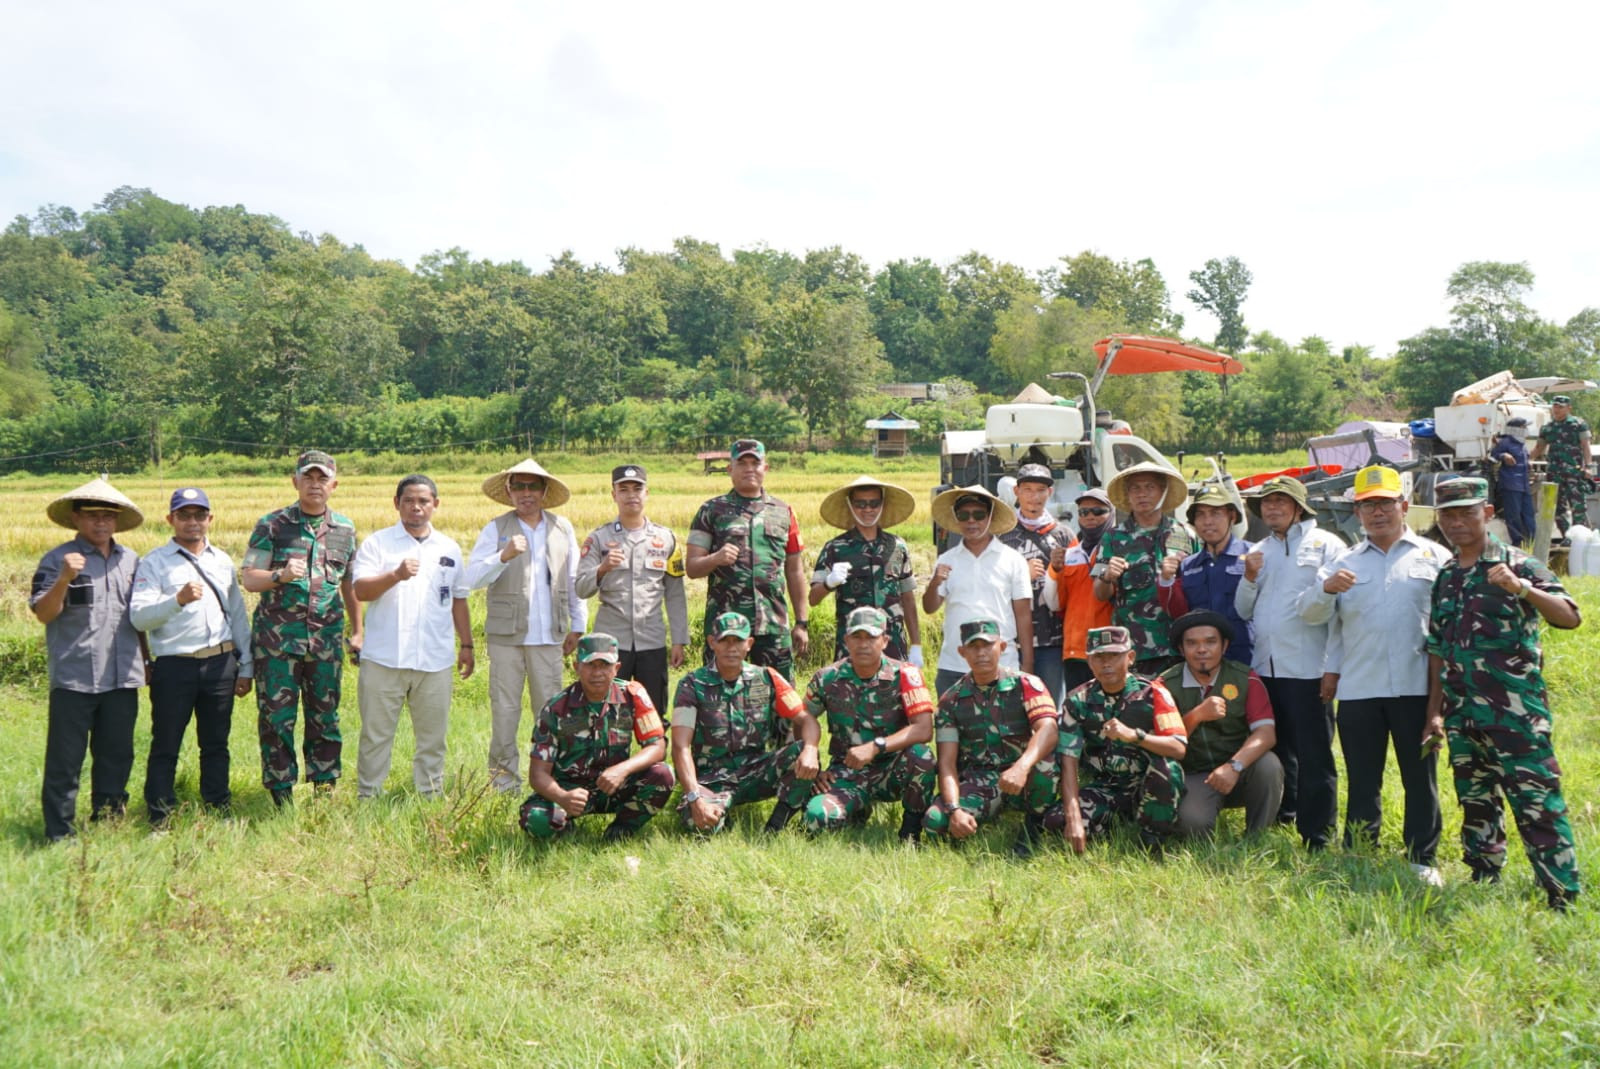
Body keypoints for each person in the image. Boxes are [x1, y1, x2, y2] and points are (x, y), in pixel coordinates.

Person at [1423, 477, 1583, 909]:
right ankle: (1483, 875)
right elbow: (1438, 649)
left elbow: (1569, 617)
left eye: (1466, 513)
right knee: (1477, 803)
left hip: (1516, 715)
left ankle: (1562, 893)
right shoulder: (1447, 575)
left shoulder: (1519, 564)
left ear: (1487, 514)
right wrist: (1433, 714)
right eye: (1448, 515)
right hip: (1463, 715)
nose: (1457, 522)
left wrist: (1521, 588)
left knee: (1537, 803)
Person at [1301, 464, 1447, 886]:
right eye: (1367, 506)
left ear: (1403, 506)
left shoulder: (1434, 557)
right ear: (1357, 513)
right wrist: (1325, 590)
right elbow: (1318, 620)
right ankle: (1361, 849)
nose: (1377, 513)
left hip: (1416, 686)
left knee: (1419, 776)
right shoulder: (1342, 563)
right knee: (1363, 776)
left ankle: (1422, 857)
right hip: (1361, 687)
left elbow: (1446, 626)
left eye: (1384, 503)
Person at [240, 451, 362, 805]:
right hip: (278, 644)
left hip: (325, 640)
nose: (314, 484)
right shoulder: (273, 525)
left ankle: (325, 790)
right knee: (277, 719)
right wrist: (279, 575)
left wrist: (358, 631)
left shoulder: (345, 529)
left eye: (322, 478)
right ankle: (281, 795)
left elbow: (349, 584)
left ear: (334, 485)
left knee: (325, 716)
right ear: (295, 482)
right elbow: (250, 578)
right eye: (307, 478)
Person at [29, 478, 146, 841]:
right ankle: (59, 832)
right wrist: (66, 577)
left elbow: (139, 617)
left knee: (117, 754)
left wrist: (149, 662)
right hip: (74, 676)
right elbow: (44, 613)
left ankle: (108, 819)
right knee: (65, 760)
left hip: (123, 674)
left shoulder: (131, 562)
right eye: (93, 516)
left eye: (108, 517)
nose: (101, 523)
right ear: (77, 518)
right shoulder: (57, 560)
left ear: (117, 521)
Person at [130, 487, 253, 825]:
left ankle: (218, 808)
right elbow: (139, 617)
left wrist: (247, 666)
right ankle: (160, 816)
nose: (192, 522)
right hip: (174, 666)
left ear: (210, 519)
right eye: (184, 515)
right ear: (170, 519)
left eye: (200, 515)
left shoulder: (222, 560)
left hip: (220, 662)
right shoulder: (154, 562)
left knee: (215, 744)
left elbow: (238, 616)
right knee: (166, 744)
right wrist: (177, 601)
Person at [1234, 475, 1345, 849]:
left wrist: (1332, 667)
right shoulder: (1259, 549)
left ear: (1299, 507)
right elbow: (1243, 609)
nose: (1273, 508)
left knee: (1315, 754)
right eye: (1267, 503)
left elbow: (1339, 612)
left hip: (1309, 666)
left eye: (1281, 501)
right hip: (1267, 667)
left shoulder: (1327, 544)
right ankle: (1287, 814)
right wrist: (1249, 576)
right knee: (1280, 749)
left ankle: (1318, 833)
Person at [465, 459, 584, 793]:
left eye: (533, 486)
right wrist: (501, 556)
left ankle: (549, 783)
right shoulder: (496, 529)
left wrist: (578, 625)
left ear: (545, 491)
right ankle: (503, 783)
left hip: (550, 638)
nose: (526, 493)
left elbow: (573, 579)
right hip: (507, 637)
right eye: (519, 486)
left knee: (550, 713)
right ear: (509, 491)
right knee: (504, 710)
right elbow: (471, 578)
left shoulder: (563, 528)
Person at [351, 475, 473, 799]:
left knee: (433, 738)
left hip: (434, 660)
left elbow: (458, 599)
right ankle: (368, 798)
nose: (416, 507)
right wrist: (396, 575)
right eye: (408, 501)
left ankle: (429, 797)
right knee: (376, 736)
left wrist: (468, 644)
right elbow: (360, 590)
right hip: (384, 658)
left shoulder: (449, 547)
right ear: (397, 504)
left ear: (435, 504)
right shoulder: (378, 544)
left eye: (423, 501)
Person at [670, 612, 821, 834]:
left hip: (757, 771)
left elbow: (806, 719)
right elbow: (680, 746)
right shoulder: (692, 685)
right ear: (713, 643)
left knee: (804, 753)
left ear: (749, 644)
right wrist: (694, 796)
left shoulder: (767, 678)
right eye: (725, 640)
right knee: (701, 826)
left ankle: (775, 826)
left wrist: (810, 749)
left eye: (738, 640)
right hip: (712, 779)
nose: (732, 647)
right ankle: (720, 819)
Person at [921, 618, 1059, 857]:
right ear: (962, 652)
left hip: (1024, 776)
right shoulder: (950, 700)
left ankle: (1034, 824)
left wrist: (1021, 767)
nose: (981, 653)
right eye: (973, 647)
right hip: (980, 780)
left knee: (1046, 762)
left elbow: (1049, 728)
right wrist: (954, 810)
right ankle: (975, 822)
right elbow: (946, 763)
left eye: (988, 645)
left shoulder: (1027, 684)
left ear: (1002, 647)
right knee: (935, 822)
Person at [519, 633, 676, 841]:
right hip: (570, 790)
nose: (598, 673)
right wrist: (563, 797)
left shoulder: (633, 695)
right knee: (533, 817)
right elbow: (538, 774)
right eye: (591, 665)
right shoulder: (556, 709)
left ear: (617, 668)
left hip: (615, 785)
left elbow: (657, 747)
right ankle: (567, 832)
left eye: (605, 665)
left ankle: (620, 831)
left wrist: (623, 769)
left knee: (663, 775)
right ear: (577, 667)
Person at [684, 439, 809, 695]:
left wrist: (802, 622)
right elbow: (692, 567)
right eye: (742, 463)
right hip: (726, 628)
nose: (749, 468)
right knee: (719, 697)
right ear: (730, 468)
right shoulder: (711, 511)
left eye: (756, 463)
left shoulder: (783, 511)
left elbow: (795, 571)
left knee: (781, 697)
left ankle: (784, 738)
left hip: (773, 624)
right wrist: (716, 558)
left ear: (766, 468)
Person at [798, 607, 936, 840]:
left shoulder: (905, 675)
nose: (864, 644)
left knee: (922, 756)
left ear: (884, 640)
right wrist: (814, 764)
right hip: (847, 770)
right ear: (846, 640)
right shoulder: (827, 678)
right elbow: (802, 718)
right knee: (816, 819)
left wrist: (875, 747)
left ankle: (911, 832)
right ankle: (857, 810)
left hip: (892, 768)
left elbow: (924, 728)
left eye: (871, 637)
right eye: (857, 637)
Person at [1048, 626, 1186, 852]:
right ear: (1089, 662)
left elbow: (1178, 748)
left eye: (1114, 655)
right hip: (1106, 788)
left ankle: (1151, 839)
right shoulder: (1078, 701)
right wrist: (1073, 820)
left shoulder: (1154, 694)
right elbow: (1069, 760)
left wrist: (1135, 736)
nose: (1106, 663)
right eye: (1099, 657)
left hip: (1146, 783)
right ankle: (1117, 823)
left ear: (1130, 657)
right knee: (1055, 820)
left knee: (1168, 770)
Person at [575, 464, 688, 715]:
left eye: (637, 488)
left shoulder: (665, 539)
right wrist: (602, 569)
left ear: (647, 493)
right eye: (623, 489)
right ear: (614, 495)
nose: (631, 495)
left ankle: (655, 755)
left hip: (652, 640)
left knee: (655, 713)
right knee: (608, 713)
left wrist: (679, 639)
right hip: (611, 644)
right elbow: (581, 589)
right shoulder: (598, 539)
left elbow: (675, 593)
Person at [1160, 611, 1282, 838]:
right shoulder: (1164, 685)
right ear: (1181, 649)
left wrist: (1234, 767)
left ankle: (1257, 837)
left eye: (1210, 641)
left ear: (1224, 646)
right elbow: (1163, 744)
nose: (1202, 649)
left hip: (1240, 769)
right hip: (1195, 774)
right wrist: (1196, 715)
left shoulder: (1246, 678)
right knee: (1193, 826)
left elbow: (1266, 733)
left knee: (1269, 765)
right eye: (1192, 643)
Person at [924, 485, 1033, 697]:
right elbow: (929, 607)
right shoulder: (947, 559)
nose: (971, 521)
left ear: (990, 517)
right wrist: (935, 582)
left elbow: (1023, 615)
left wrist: (1027, 665)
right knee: (952, 728)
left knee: (1006, 727)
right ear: (957, 519)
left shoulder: (1012, 560)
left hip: (1002, 663)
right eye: (964, 515)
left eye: (978, 514)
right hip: (954, 665)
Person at [1093, 462, 1198, 676]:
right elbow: (1099, 594)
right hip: (1134, 649)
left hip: (1178, 645)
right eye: (1135, 488)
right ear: (1128, 495)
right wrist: (1107, 577)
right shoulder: (1113, 537)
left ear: (1162, 492)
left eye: (1149, 487)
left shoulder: (1185, 534)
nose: (1142, 494)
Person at [809, 475, 921, 666]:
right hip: (853, 644)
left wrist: (916, 645)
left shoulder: (897, 546)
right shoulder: (836, 548)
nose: (867, 509)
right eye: (860, 504)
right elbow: (813, 599)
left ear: (882, 505)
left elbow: (908, 599)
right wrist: (829, 583)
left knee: (893, 694)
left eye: (874, 503)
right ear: (850, 506)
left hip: (892, 643)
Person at [999, 464, 1076, 702]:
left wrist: (1059, 571)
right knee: (1013, 705)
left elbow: (1074, 586)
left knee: (1050, 704)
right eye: (1028, 490)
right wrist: (1023, 574)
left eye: (1041, 490)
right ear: (1016, 492)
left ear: (1050, 493)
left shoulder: (1064, 535)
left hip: (1051, 638)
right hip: (1011, 639)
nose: (1034, 497)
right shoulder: (1003, 535)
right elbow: (991, 584)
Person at [1166, 486, 1253, 666]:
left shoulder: (1253, 556)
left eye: (1216, 513)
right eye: (1201, 515)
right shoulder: (1187, 565)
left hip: (1247, 661)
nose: (1208, 521)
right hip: (1203, 664)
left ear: (1232, 516)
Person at [1050, 488, 1115, 694]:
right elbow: (1055, 603)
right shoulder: (1069, 553)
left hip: (1112, 649)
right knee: (1077, 716)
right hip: (1076, 651)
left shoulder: (1120, 548)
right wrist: (1055, 570)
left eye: (1098, 511)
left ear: (1111, 513)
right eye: (1084, 512)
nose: (1090, 517)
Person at [1530, 395, 1592, 538]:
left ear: (1569, 408)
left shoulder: (1578, 424)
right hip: (1554, 473)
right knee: (1557, 507)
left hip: (1574, 472)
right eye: (1555, 406)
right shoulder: (1547, 428)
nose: (1556, 409)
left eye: (1560, 407)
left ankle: (1579, 537)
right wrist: (1526, 460)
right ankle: (1567, 536)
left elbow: (1586, 446)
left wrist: (1588, 466)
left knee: (1578, 506)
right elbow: (1539, 448)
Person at [1489, 417, 1535, 546]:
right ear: (1515, 429)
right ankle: (1518, 542)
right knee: (1513, 516)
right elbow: (1492, 455)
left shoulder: (1522, 444)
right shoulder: (1505, 442)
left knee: (1529, 515)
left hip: (1524, 485)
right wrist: (1503, 455)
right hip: (1511, 485)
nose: (1526, 429)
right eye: (1523, 427)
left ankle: (1531, 542)